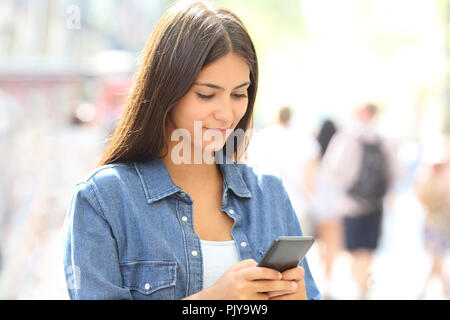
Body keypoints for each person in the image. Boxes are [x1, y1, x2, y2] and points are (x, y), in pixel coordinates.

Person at [62, 0, 320, 300]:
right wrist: (212, 300)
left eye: (239, 94)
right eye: (207, 95)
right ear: (166, 89)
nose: (226, 113)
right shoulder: (103, 199)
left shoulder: (268, 193)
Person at [320, 103, 396, 299]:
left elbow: (331, 169)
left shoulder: (347, 137)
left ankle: (358, 287)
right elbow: (396, 171)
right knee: (367, 251)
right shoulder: (384, 138)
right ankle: (361, 288)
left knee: (352, 250)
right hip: (376, 204)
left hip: (350, 205)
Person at [245, 105, 321, 235]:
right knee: (297, 250)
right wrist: (312, 200)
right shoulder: (304, 138)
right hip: (298, 203)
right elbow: (310, 174)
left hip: (265, 203)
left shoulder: (260, 137)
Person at [310, 118, 342, 299]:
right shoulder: (338, 151)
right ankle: (327, 280)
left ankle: (322, 277)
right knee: (332, 244)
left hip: (317, 204)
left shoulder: (315, 152)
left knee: (321, 243)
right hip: (335, 205)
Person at [415, 135, 450, 299]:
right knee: (437, 259)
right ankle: (443, 288)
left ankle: (435, 288)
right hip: (435, 224)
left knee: (437, 259)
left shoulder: (442, 180)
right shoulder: (430, 180)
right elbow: (422, 198)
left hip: (441, 225)